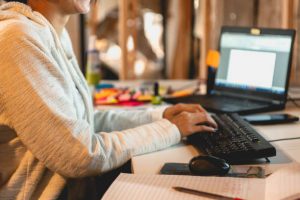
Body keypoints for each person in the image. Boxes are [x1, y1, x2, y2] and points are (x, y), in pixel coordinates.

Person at [0, 0, 217, 199]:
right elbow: (80, 155)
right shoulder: (17, 38)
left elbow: (83, 122)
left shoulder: (52, 33)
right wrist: (171, 129)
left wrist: (158, 116)